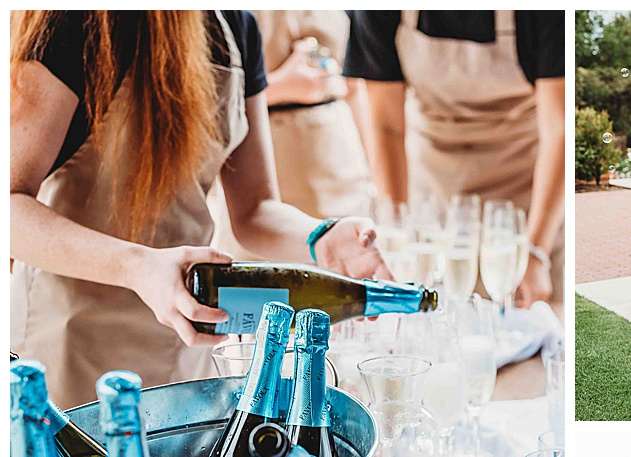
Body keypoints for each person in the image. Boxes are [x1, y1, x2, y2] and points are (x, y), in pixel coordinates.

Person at [10, 10, 391, 408]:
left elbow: (255, 210)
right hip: (69, 350)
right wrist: (139, 266)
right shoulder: (74, 21)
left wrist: (321, 237)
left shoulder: (237, 28)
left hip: (184, 349)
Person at [343, 11, 566, 306]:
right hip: (432, 201)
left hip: (525, 203)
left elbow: (559, 130)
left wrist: (536, 250)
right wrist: (394, 230)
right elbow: (387, 128)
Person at [211, 11, 375, 260]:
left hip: (342, 167)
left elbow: (353, 88)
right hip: (269, 164)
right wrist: (283, 86)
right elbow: (216, 98)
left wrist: (370, 173)